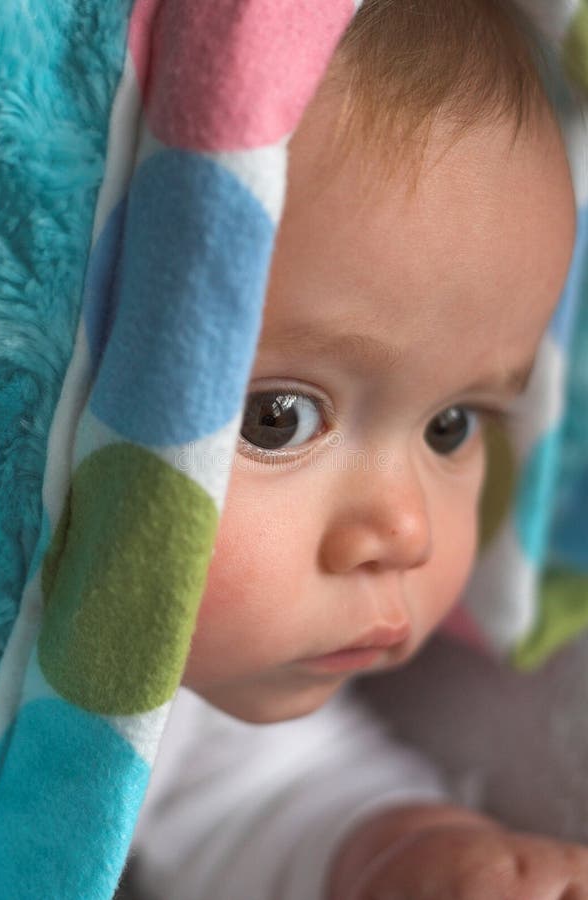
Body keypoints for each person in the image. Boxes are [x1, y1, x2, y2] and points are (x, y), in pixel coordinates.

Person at [124, 0, 588, 897]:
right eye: (278, 419)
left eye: (452, 426)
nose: (406, 530)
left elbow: (266, 794)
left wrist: (408, 855)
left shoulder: (189, 692)